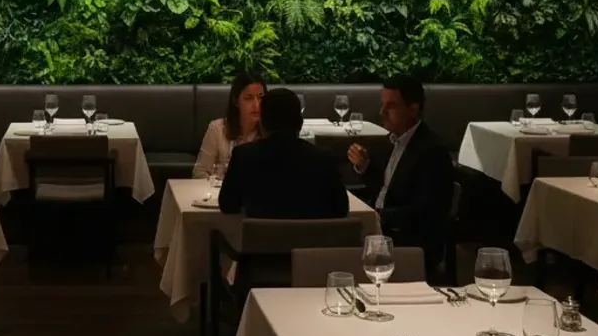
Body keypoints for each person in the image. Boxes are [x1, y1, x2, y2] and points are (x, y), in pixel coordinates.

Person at [346, 75, 454, 267]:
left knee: (339, 257)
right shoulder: (388, 142)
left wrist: (380, 215)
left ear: (413, 109)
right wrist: (364, 168)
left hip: (408, 243)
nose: (382, 112)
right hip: (382, 231)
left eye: (391, 106)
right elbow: (385, 190)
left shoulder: (433, 151)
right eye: (383, 105)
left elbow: (428, 212)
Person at [218, 88, 349, 219]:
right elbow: (341, 210)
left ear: (262, 123)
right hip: (311, 239)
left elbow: (227, 206)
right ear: (300, 123)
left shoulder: (244, 156)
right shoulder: (324, 158)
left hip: (262, 239)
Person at [192, 71, 267, 180]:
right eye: (249, 98)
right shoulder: (217, 129)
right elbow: (199, 172)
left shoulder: (270, 133)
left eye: (261, 97)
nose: (257, 105)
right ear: (236, 101)